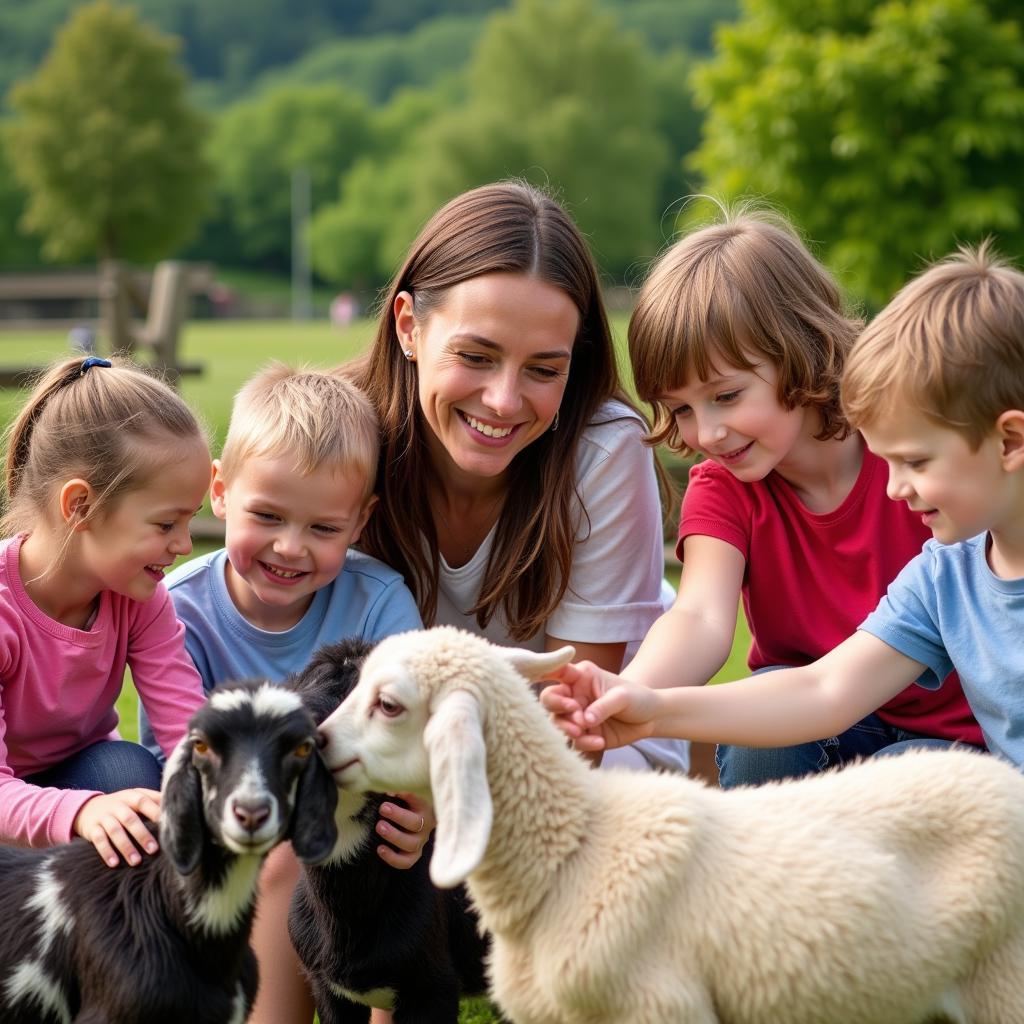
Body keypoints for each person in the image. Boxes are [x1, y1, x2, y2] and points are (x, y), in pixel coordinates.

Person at [543, 242, 1024, 770]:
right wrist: (633, 697)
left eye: (726, 396)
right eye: (680, 409)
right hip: (815, 724)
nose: (707, 432)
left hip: (953, 749)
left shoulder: (924, 469)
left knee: (917, 767)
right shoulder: (939, 569)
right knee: (760, 750)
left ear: (799, 353)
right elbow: (709, 620)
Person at [347, 179, 688, 774]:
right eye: (476, 357)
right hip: (398, 747)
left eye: (543, 369)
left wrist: (433, 802)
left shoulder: (604, 450)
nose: (504, 401)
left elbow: (574, 719)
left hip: (585, 747)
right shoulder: (343, 432)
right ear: (408, 326)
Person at [140, 363, 428, 1024]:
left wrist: (418, 808)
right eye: (266, 515)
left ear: (361, 520)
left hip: (361, 821)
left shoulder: (377, 599)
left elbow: (413, 728)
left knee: (369, 866)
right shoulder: (181, 608)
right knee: (274, 865)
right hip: (237, 822)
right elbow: (178, 755)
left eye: (323, 529)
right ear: (219, 490)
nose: (290, 547)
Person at [0, 354, 208, 867]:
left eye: (190, 522)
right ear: (81, 506)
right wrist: (82, 814)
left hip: (81, 775)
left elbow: (189, 733)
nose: (184, 544)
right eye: (165, 524)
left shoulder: (139, 598)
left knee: (129, 776)